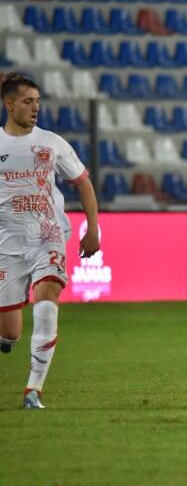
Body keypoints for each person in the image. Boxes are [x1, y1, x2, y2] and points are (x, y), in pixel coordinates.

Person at [0, 73, 100, 409]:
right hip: (6, 244)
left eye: (38, 102)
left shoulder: (51, 142)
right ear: (9, 104)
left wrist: (92, 229)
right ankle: (7, 339)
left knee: (47, 299)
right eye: (28, 101)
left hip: (47, 235)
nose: (35, 108)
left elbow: (83, 183)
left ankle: (33, 390)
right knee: (10, 332)